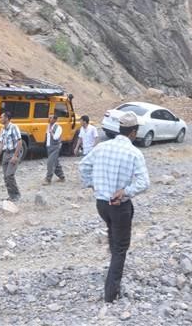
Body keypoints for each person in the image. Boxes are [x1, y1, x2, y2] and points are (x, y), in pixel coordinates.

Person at [79, 111, 150, 303]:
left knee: (112, 233)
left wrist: (92, 184)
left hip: (101, 204)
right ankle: (111, 293)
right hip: (119, 204)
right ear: (133, 132)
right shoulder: (134, 152)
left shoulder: (102, 147)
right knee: (120, 248)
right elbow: (144, 182)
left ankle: (112, 269)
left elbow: (83, 166)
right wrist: (126, 191)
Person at [0, 111, 22, 201]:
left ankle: (16, 195)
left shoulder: (14, 127)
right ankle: (11, 196)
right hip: (6, 153)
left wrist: (15, 156)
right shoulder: (2, 129)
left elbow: (19, 141)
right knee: (6, 177)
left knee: (9, 175)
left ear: (6, 118)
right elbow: (1, 143)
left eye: (1, 117)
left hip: (13, 153)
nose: (0, 119)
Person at [44, 114, 65, 185]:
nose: (49, 119)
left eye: (51, 118)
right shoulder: (48, 126)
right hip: (49, 147)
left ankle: (48, 179)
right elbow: (47, 137)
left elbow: (56, 137)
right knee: (55, 162)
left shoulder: (58, 127)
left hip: (55, 147)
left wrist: (51, 132)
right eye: (49, 118)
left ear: (55, 119)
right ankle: (62, 177)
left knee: (50, 163)